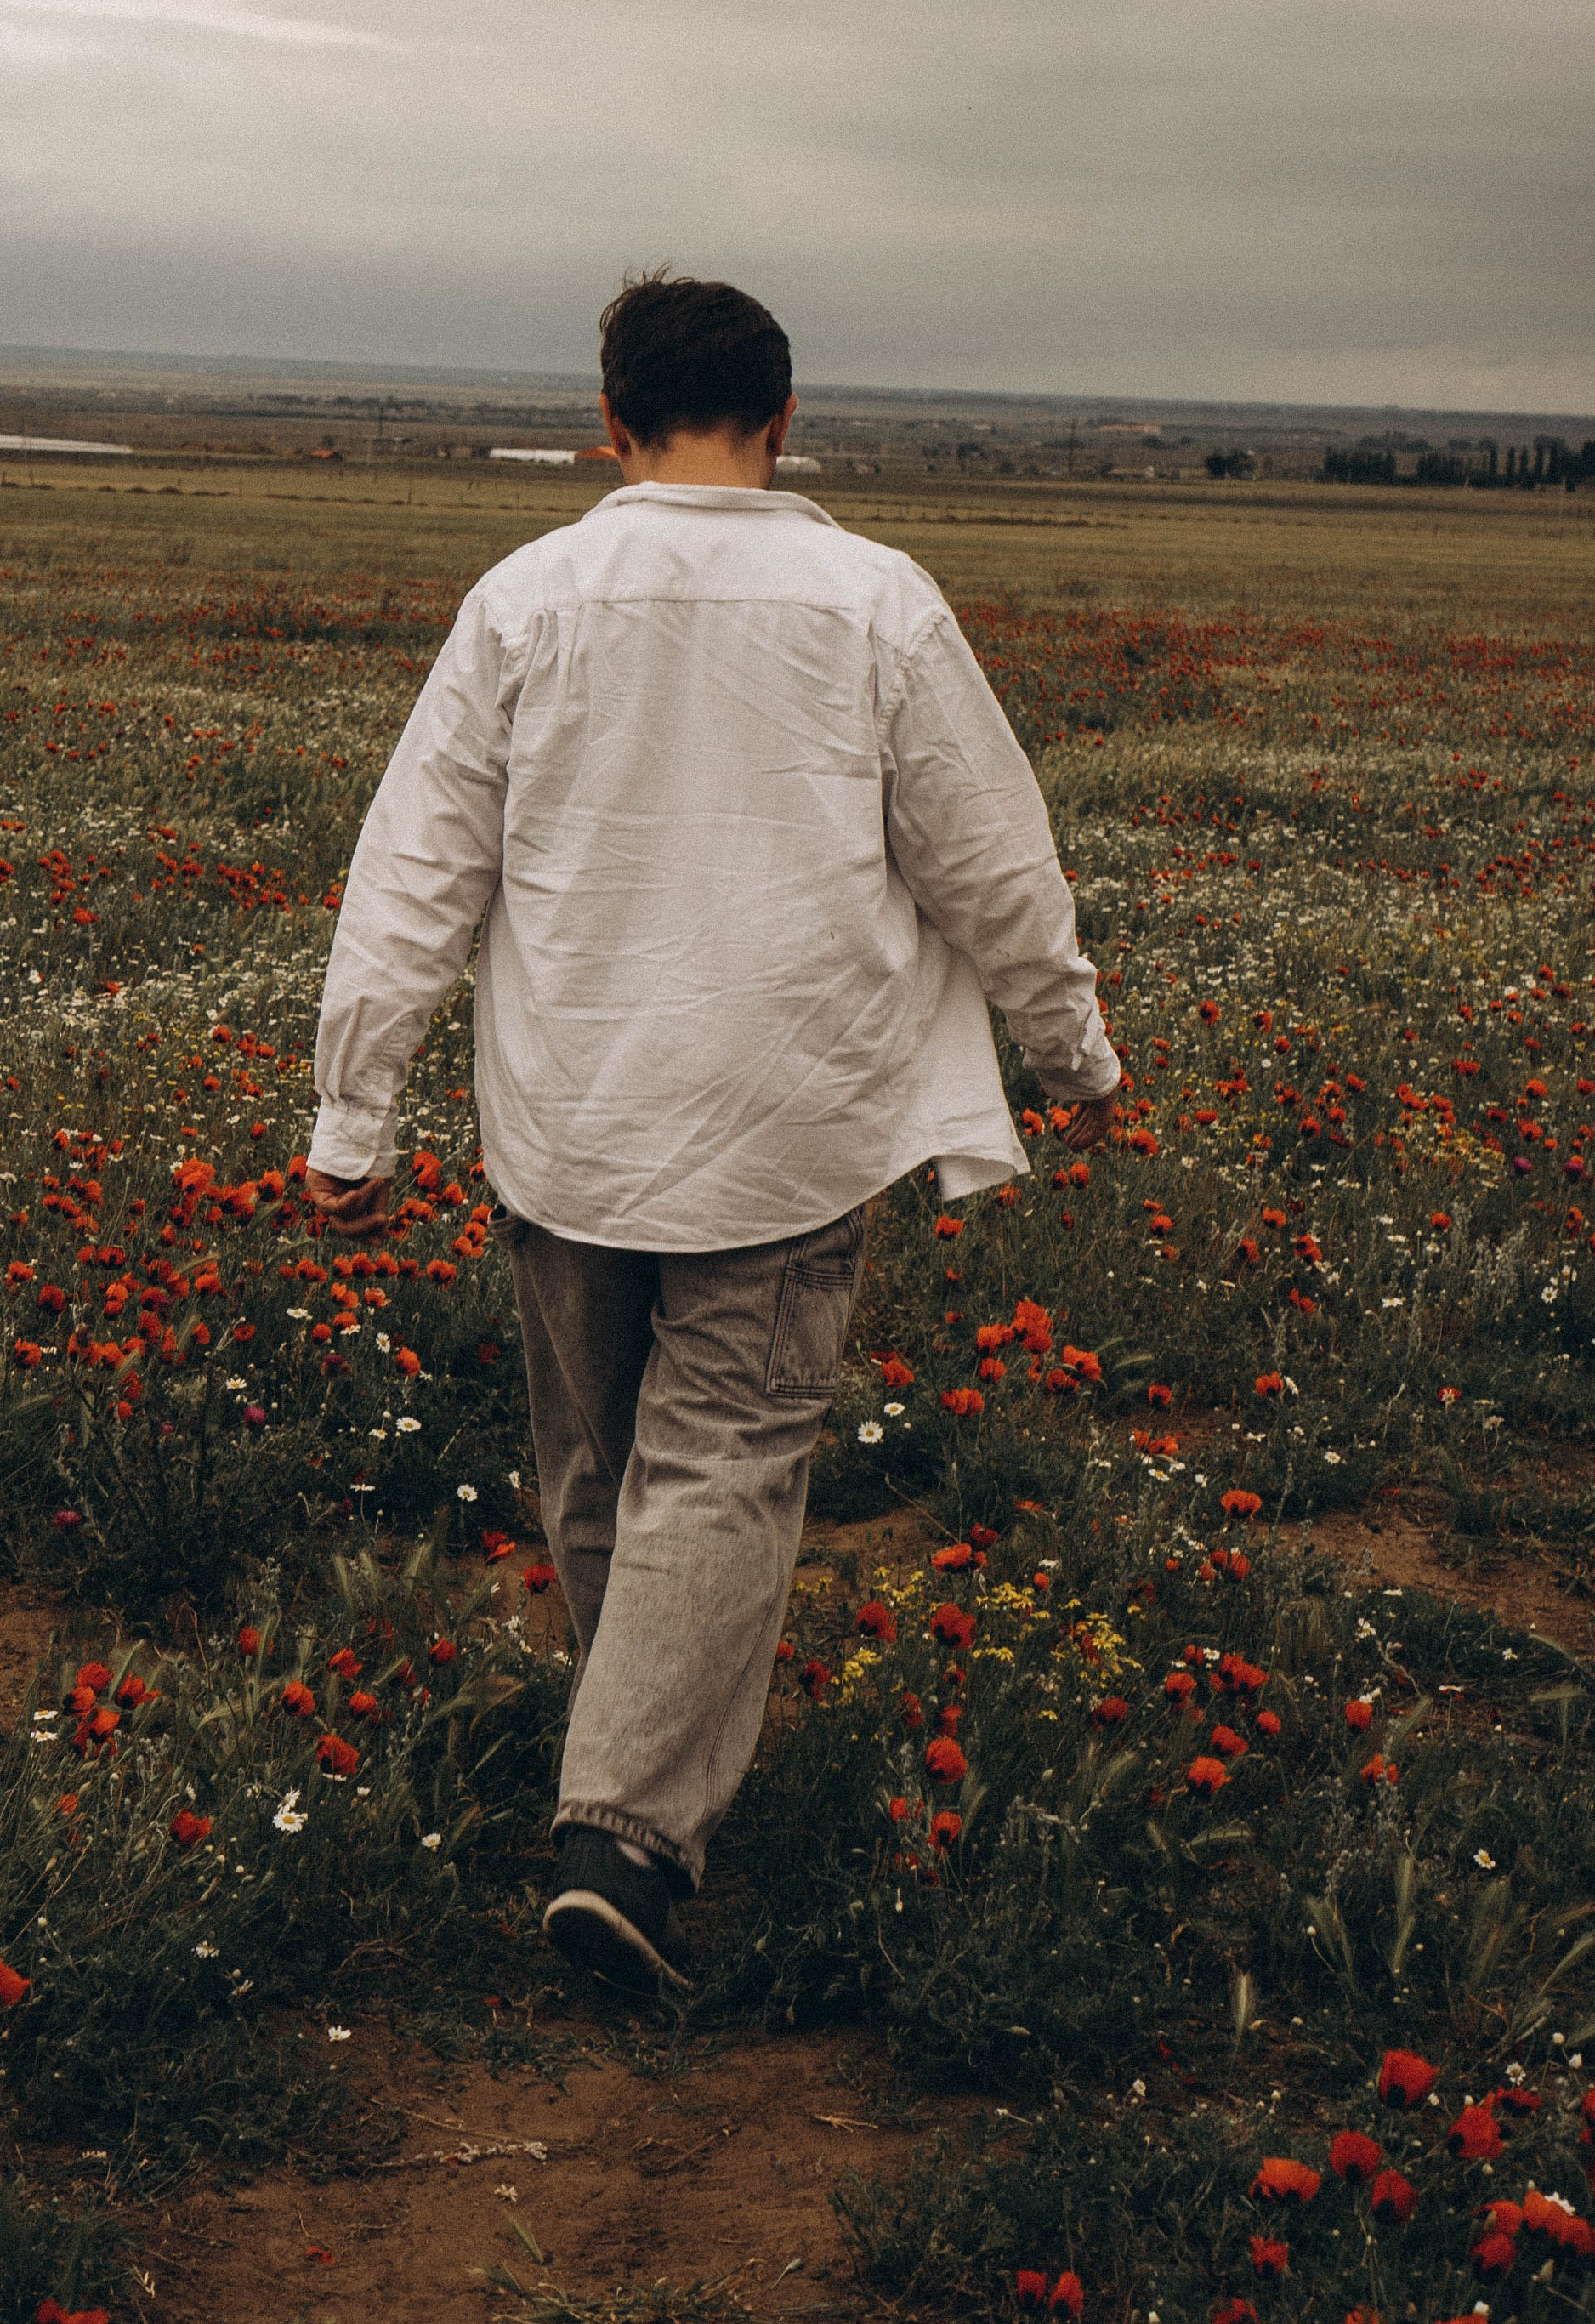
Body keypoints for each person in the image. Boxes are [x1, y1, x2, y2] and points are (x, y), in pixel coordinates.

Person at [304, 276, 1118, 1991]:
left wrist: (351, 1115)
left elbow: (414, 872)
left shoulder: (524, 602)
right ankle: (626, 1833)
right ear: (784, 412)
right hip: (788, 1115)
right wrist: (1073, 1049)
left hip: (571, 1119)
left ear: (609, 417)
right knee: (719, 1466)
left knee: (601, 1472)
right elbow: (991, 857)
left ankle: (632, 1814)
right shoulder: (874, 605)